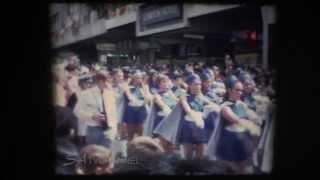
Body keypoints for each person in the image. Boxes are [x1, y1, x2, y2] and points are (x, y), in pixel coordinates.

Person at [214, 75, 261, 174]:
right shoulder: (225, 106)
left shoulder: (242, 104)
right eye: (237, 90)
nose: (240, 92)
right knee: (234, 170)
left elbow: (255, 117)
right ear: (230, 90)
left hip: (242, 141)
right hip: (230, 142)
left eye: (241, 90)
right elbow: (236, 120)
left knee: (242, 169)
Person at [74, 71, 118, 148]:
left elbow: (114, 113)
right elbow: (76, 111)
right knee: (93, 156)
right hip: (93, 129)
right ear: (101, 81)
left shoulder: (111, 93)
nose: (110, 83)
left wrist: (114, 130)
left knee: (106, 156)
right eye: (109, 81)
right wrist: (92, 116)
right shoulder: (86, 94)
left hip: (109, 130)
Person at [144, 74, 179, 152]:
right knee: (162, 147)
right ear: (159, 84)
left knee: (171, 147)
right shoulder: (157, 95)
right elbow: (163, 107)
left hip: (172, 122)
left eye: (167, 81)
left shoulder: (173, 94)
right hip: (162, 122)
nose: (166, 83)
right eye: (163, 82)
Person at [122, 70, 153, 141]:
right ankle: (129, 146)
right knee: (130, 132)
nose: (138, 80)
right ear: (133, 78)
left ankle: (140, 146)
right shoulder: (128, 87)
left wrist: (143, 89)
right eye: (136, 78)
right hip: (131, 109)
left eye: (140, 78)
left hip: (141, 109)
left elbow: (148, 98)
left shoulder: (145, 87)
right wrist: (128, 82)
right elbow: (130, 97)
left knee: (141, 129)